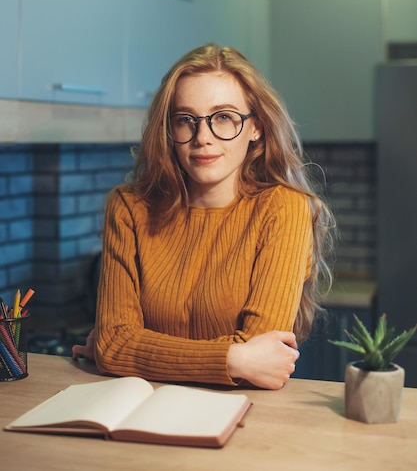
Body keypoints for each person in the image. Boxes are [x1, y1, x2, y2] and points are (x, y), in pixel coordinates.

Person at [73, 44, 334, 390]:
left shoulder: (283, 208)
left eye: (224, 117)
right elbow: (114, 345)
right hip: (143, 413)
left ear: (255, 127)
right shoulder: (129, 207)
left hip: (242, 417)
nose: (203, 138)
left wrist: (139, 351)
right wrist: (235, 359)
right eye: (186, 120)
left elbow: (264, 355)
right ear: (169, 130)